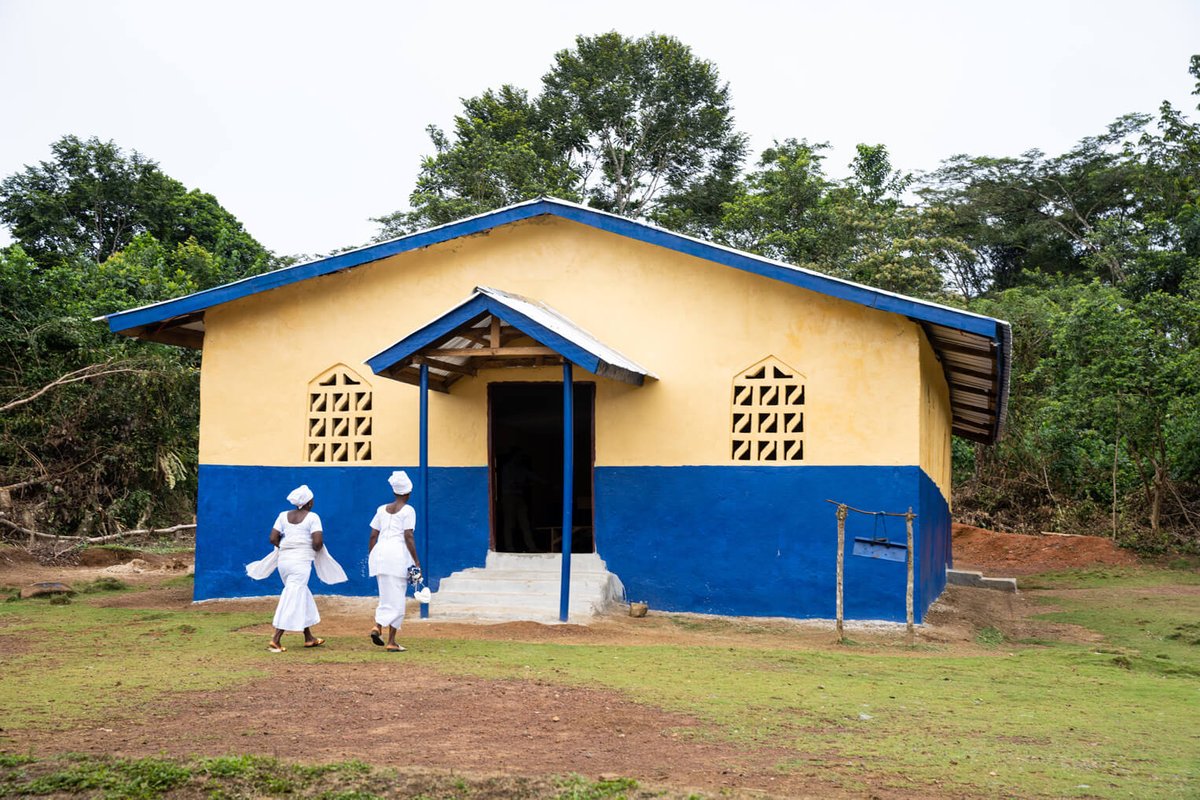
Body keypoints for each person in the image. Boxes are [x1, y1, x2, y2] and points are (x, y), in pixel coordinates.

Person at [245, 484, 347, 652]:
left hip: (284, 562)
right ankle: (276, 639)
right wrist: (308, 551)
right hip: (301, 563)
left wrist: (287, 548)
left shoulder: (283, 516)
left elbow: (273, 538)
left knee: (299, 592)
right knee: (293, 595)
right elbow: (318, 542)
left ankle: (309, 637)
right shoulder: (313, 517)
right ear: (309, 502)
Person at [367, 470, 422, 652]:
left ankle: (377, 626)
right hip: (398, 556)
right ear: (408, 492)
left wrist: (372, 557)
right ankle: (390, 640)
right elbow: (408, 536)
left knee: (385, 596)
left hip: (380, 555)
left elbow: (373, 535)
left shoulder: (381, 509)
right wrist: (416, 561)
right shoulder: (408, 510)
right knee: (397, 598)